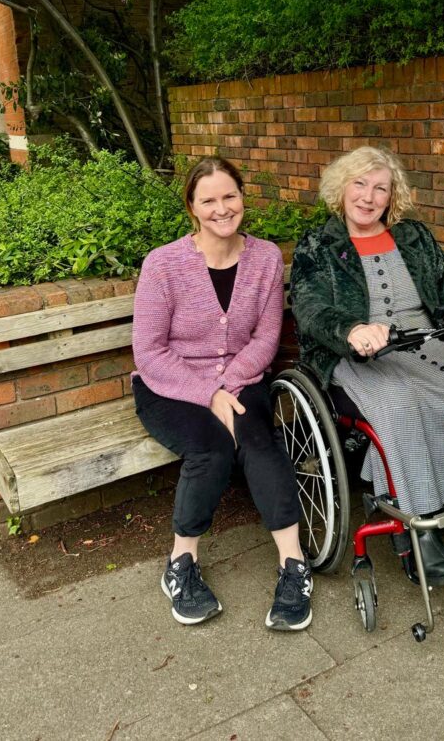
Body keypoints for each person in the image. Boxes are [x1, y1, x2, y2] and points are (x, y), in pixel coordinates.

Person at [290, 146, 444, 585]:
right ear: (341, 190)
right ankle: (418, 533)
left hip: (429, 343)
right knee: (399, 403)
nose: (368, 196)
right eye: (359, 184)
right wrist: (351, 329)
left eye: (380, 188)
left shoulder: (415, 236)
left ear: (392, 196)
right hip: (361, 356)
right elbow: (309, 308)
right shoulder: (318, 245)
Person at [132, 156, 312, 630]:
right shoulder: (163, 264)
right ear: (192, 207)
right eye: (208, 199)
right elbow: (149, 352)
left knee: (258, 441)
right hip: (169, 385)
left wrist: (229, 385)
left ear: (243, 198)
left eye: (229, 195)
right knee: (210, 449)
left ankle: (293, 567)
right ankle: (180, 564)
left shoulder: (266, 257)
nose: (221, 208)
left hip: (243, 377)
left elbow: (265, 339)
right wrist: (208, 392)